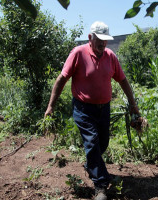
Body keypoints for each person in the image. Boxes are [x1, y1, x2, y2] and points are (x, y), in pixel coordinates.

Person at [45, 21, 140, 200]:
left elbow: (123, 81)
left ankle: (92, 165)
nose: (103, 44)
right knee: (92, 142)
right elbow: (61, 79)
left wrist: (133, 104)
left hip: (104, 109)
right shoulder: (78, 53)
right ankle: (101, 185)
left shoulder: (110, 56)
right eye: (99, 40)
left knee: (102, 143)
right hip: (83, 109)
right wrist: (51, 106)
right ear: (90, 37)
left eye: (105, 41)